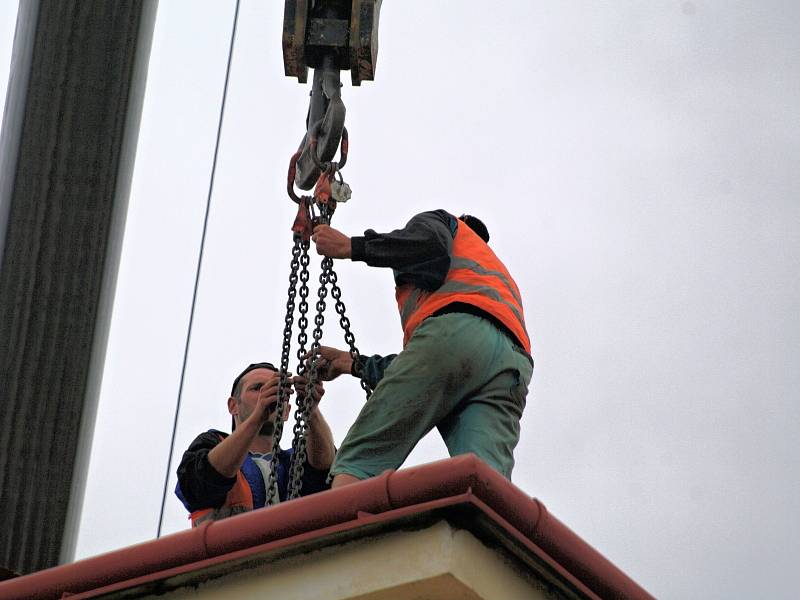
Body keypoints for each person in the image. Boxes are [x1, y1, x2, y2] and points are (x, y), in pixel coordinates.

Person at [310, 209, 533, 489]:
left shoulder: (444, 222)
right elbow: (429, 367)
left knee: (361, 460)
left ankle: (342, 523)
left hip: (454, 336)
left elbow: (428, 244)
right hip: (511, 368)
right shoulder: (492, 280)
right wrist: (351, 363)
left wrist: (350, 246)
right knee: (486, 483)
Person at [175, 362, 334, 525]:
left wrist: (311, 408)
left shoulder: (297, 458)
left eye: (278, 390)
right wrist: (258, 416)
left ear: (286, 411)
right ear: (233, 405)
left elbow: (326, 470)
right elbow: (199, 482)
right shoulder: (211, 445)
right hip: (235, 550)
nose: (270, 394)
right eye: (257, 388)